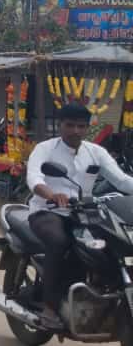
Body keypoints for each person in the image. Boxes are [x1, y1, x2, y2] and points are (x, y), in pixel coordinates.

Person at [26, 102, 133, 325]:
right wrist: (51, 194)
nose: (76, 131)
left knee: (111, 246)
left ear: (87, 128)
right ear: (60, 125)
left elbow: (121, 181)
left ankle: (99, 291)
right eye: (70, 125)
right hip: (47, 211)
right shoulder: (45, 149)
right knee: (59, 242)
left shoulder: (96, 152)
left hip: (83, 214)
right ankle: (49, 307)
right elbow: (34, 177)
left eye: (81, 126)